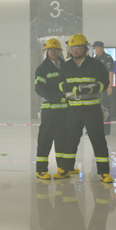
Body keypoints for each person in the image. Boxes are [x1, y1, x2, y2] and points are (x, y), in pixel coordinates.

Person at [59, 34, 113, 183]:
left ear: (85, 48)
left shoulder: (95, 64)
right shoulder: (66, 66)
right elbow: (60, 84)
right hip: (73, 109)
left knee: (98, 139)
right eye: (72, 47)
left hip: (92, 109)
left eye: (78, 47)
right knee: (70, 139)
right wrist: (72, 88)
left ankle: (104, 172)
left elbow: (104, 83)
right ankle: (66, 168)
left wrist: (91, 88)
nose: (75, 50)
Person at [34, 38, 71, 180]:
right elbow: (40, 89)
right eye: (50, 50)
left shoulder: (65, 66)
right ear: (46, 52)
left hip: (64, 111)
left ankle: (62, 167)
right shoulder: (42, 69)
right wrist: (58, 98)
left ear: (59, 51)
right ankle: (41, 170)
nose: (53, 52)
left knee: (62, 140)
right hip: (49, 110)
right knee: (45, 140)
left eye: (55, 50)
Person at [92, 41, 115, 135]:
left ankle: (106, 129)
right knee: (95, 107)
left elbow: (111, 73)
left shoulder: (107, 58)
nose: (95, 50)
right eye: (94, 48)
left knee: (106, 107)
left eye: (96, 48)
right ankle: (96, 128)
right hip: (96, 87)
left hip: (105, 87)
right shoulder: (95, 59)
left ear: (101, 48)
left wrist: (110, 86)